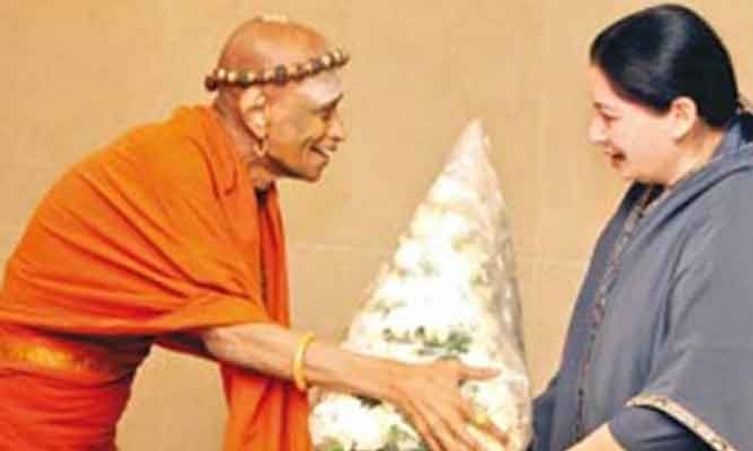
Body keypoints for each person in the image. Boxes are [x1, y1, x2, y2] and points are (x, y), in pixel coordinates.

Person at [0, 17, 505, 451]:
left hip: (84, 421)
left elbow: (237, 326)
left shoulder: (243, 185)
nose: (339, 132)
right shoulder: (173, 166)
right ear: (258, 111)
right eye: (324, 113)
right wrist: (398, 382)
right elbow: (232, 334)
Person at [532, 4, 753, 451]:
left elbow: (710, 395)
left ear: (680, 115)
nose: (594, 134)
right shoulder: (656, 193)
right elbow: (587, 368)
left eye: (609, 116)